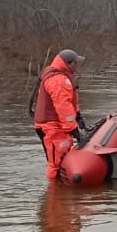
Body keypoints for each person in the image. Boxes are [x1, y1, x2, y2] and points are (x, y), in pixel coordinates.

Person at [32, 48, 88, 180]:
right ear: (69, 63)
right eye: (76, 63)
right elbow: (63, 105)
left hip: (55, 126)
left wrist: (78, 115)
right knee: (56, 163)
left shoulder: (59, 75)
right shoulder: (58, 79)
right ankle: (54, 195)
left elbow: (69, 101)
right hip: (51, 127)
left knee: (61, 157)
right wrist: (73, 128)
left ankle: (60, 192)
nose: (77, 66)